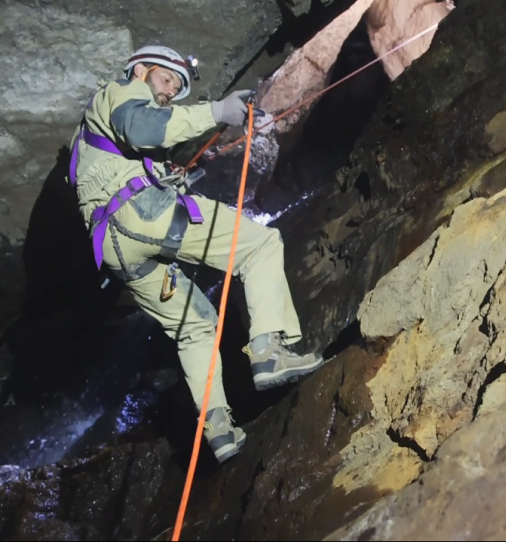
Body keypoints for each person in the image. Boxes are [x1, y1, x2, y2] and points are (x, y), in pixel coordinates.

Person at [66, 45, 324, 463]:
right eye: (167, 80)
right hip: (141, 214)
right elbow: (143, 127)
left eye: (175, 88)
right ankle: (268, 352)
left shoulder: (95, 139)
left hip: (117, 249)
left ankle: (218, 428)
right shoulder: (121, 93)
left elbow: (128, 155)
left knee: (196, 326)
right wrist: (216, 112)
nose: (169, 92)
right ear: (141, 68)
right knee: (259, 245)